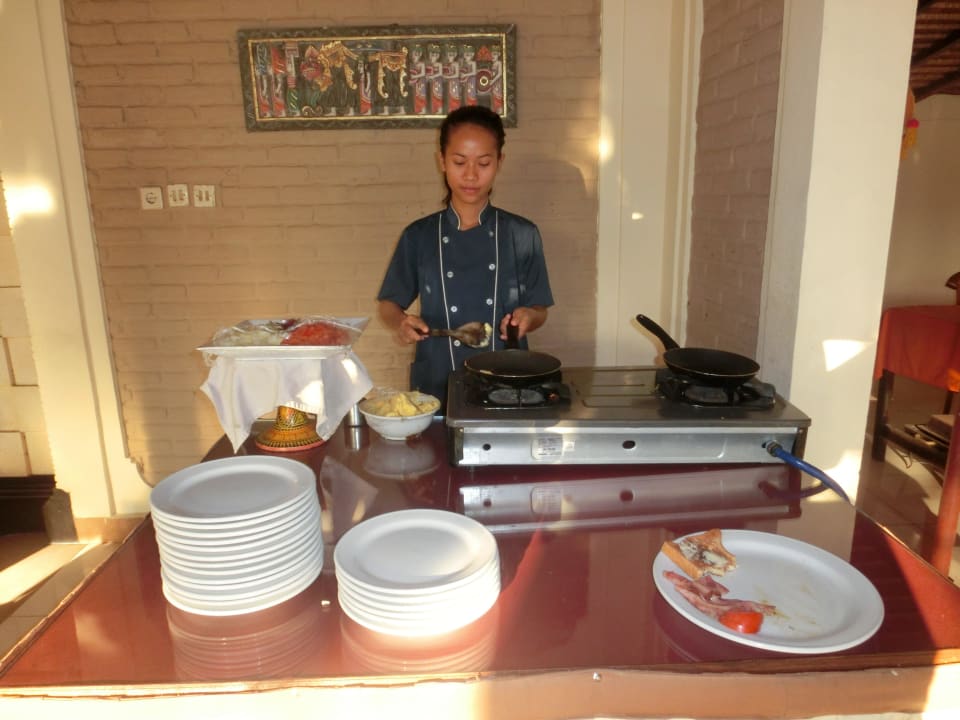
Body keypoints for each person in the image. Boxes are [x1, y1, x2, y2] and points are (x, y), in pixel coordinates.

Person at [376, 106, 554, 405]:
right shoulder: (419, 235)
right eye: (459, 162)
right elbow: (388, 305)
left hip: (506, 376)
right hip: (438, 375)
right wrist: (402, 322)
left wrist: (529, 317)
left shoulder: (522, 233)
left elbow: (540, 309)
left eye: (483, 163)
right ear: (442, 161)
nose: (471, 175)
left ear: (499, 162)